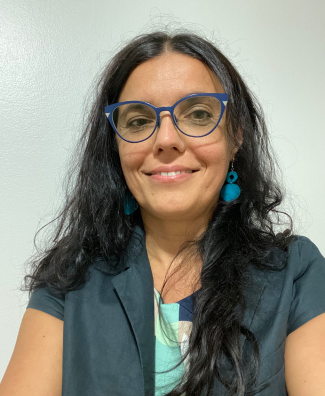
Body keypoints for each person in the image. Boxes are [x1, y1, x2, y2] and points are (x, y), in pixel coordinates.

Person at [1, 31, 325, 396]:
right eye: (138, 121)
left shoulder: (295, 272)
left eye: (199, 114)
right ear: (116, 146)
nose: (166, 139)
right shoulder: (67, 281)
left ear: (236, 134)